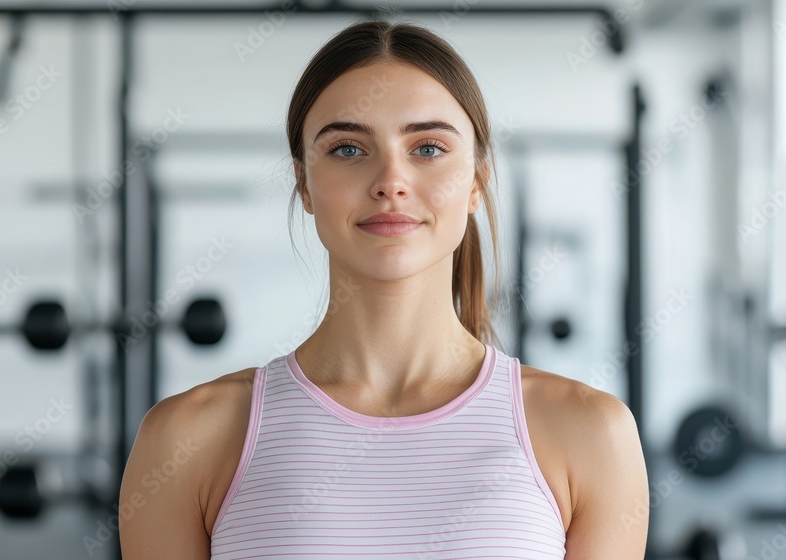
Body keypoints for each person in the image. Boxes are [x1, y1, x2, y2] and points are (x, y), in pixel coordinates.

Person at [119, 19, 648, 559]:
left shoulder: (591, 433)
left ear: (475, 183)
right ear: (304, 184)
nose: (390, 181)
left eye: (428, 148)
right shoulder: (185, 440)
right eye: (348, 149)